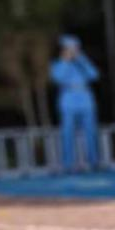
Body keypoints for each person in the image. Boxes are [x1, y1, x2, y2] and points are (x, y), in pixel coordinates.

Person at [49, 35, 100, 172]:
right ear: (63, 49)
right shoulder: (57, 64)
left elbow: (94, 75)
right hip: (68, 99)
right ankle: (68, 164)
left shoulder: (81, 62)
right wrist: (65, 61)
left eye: (75, 48)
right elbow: (58, 78)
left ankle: (94, 162)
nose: (72, 51)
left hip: (86, 99)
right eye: (69, 48)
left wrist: (81, 58)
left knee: (91, 131)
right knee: (67, 133)